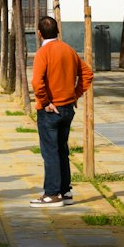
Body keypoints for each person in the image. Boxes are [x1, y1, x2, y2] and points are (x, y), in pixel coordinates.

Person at [29, 15, 93, 207]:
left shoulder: (43, 53)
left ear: (39, 33)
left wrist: (45, 101)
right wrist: (75, 94)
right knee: (62, 150)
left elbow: (36, 82)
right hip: (67, 108)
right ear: (58, 31)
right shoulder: (69, 50)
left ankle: (52, 194)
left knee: (50, 152)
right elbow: (88, 74)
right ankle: (65, 191)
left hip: (50, 110)